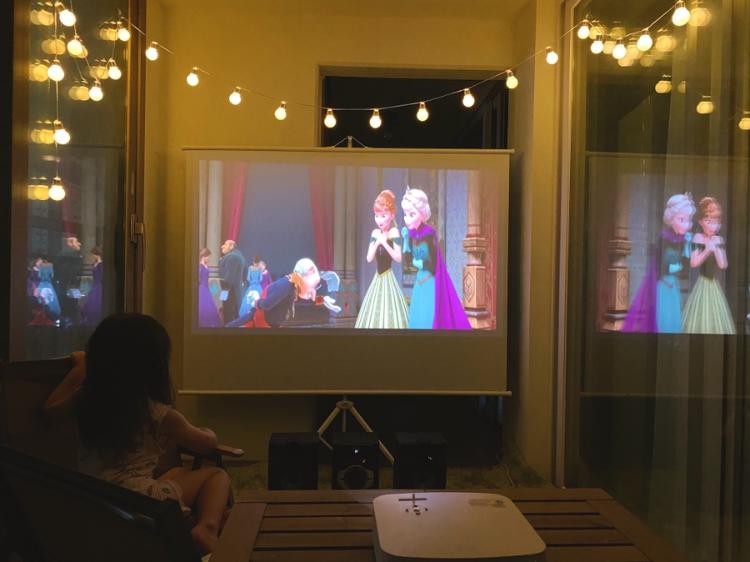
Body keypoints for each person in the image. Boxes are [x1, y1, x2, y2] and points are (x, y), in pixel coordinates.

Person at [43, 314, 231, 554]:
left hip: (96, 499)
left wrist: (80, 369)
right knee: (216, 476)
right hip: (141, 503)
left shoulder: (84, 401)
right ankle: (207, 529)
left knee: (176, 474)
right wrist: (208, 432)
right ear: (155, 365)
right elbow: (206, 444)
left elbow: (49, 410)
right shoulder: (157, 413)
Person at [622, 193, 695, 333]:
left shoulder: (681, 240)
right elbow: (662, 265)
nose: (686, 224)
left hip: (673, 284)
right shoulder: (664, 238)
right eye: (681, 219)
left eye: (688, 220)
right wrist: (676, 267)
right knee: (663, 317)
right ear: (671, 219)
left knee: (673, 316)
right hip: (662, 284)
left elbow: (685, 267)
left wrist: (686, 248)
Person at [400, 188, 471, 330]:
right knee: (418, 315)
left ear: (422, 214)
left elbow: (433, 264)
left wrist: (419, 263)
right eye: (405, 214)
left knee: (429, 315)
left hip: (430, 281)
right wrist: (406, 241)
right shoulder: (411, 233)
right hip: (419, 282)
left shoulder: (429, 234)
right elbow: (408, 261)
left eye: (412, 214)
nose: (407, 218)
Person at [227, 257, 341, 328]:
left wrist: (322, 300)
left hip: (271, 324)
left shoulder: (294, 285)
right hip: (262, 322)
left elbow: (304, 299)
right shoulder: (286, 285)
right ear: (304, 275)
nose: (313, 290)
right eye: (314, 286)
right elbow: (266, 304)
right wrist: (255, 302)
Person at [355, 190, 409, 329]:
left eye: (383, 216)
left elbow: (398, 258)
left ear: (392, 215)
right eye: (377, 216)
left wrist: (384, 242)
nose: (379, 220)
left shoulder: (394, 232)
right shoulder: (375, 233)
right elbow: (369, 258)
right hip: (377, 278)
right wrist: (377, 242)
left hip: (388, 276)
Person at [682, 197, 735, 334]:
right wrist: (707, 250)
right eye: (708, 221)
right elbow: (694, 263)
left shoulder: (719, 239)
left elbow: (723, 265)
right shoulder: (698, 237)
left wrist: (716, 248)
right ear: (701, 222)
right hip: (702, 283)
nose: (712, 226)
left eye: (716, 222)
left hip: (714, 285)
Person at [56, 235, 83, 327]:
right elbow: (67, 272)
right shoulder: (68, 255)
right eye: (76, 242)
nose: (79, 243)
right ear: (70, 244)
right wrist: (73, 281)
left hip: (71, 286)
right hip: (69, 286)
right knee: (70, 309)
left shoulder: (73, 255)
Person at [218, 240, 246, 323]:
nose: (222, 246)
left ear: (231, 246)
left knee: (228, 315)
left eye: (225, 244)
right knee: (232, 314)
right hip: (233, 291)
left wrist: (223, 294)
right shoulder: (238, 255)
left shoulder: (232, 257)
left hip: (230, 291)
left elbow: (229, 278)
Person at [198, 248, 223, 327]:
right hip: (202, 288)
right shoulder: (200, 266)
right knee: (204, 304)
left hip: (206, 287)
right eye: (208, 256)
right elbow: (198, 278)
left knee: (209, 304)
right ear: (204, 256)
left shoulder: (206, 265)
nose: (209, 258)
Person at [81, 247, 103, 326]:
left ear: (97, 254)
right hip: (94, 285)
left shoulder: (101, 264)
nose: (92, 256)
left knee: (94, 303)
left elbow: (101, 276)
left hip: (99, 286)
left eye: (93, 254)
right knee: (89, 303)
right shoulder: (95, 263)